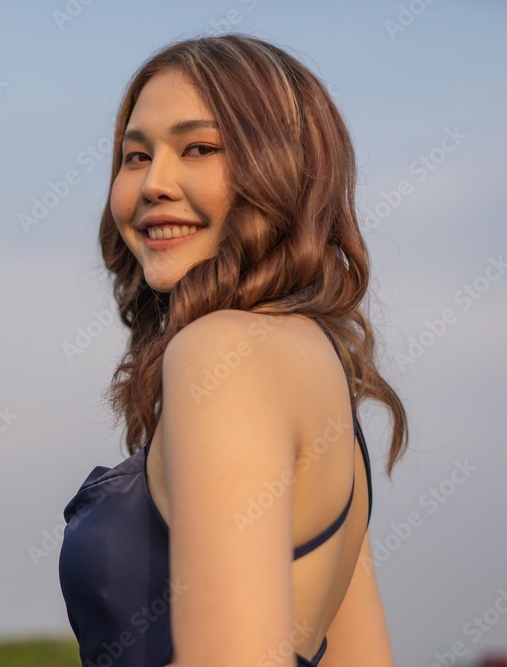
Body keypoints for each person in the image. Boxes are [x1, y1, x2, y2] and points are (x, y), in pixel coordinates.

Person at [57, 33, 408, 667]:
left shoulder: (224, 354)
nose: (154, 183)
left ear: (287, 168)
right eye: (135, 157)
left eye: (200, 148)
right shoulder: (321, 378)